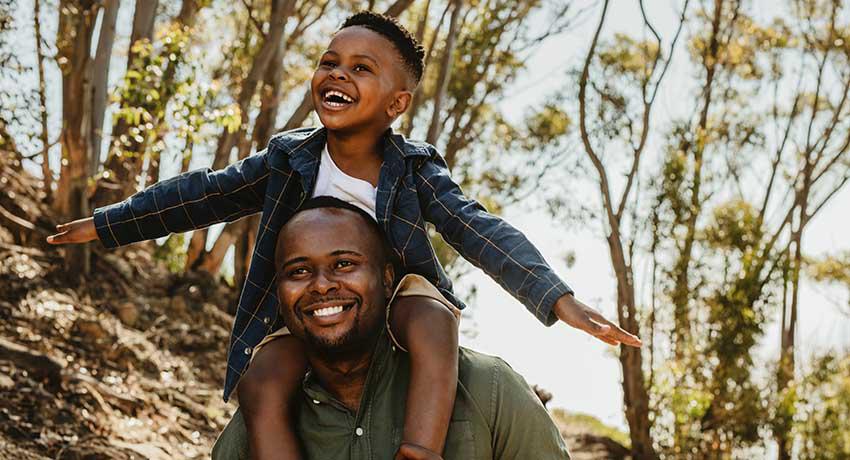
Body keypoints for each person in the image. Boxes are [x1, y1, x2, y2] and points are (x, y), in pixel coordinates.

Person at [47, 11, 640, 459]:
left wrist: (558, 300)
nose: (338, 74)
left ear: (397, 103)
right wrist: (108, 224)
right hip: (321, 305)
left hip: (397, 291)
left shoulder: (414, 169)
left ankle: (419, 451)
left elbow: (479, 229)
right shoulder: (287, 159)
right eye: (331, 62)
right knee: (262, 379)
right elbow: (201, 195)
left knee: (434, 322)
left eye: (362, 69)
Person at [211, 196, 572, 459]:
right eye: (299, 271)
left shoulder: (489, 389)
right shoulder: (258, 428)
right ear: (280, 292)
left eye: (344, 264)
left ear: (387, 280)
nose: (321, 285)